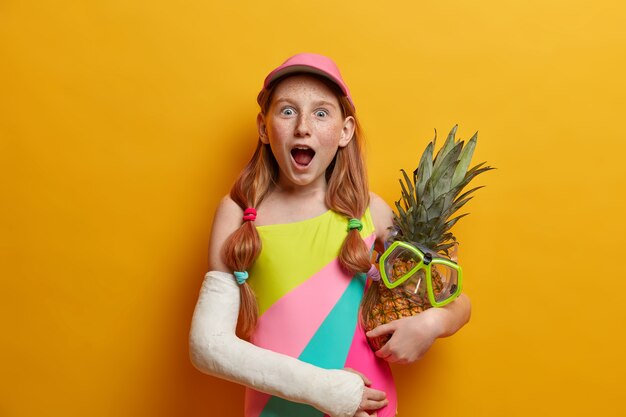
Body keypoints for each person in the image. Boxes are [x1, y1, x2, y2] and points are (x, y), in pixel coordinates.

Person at [189, 53, 471, 417]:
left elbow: (457, 302)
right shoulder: (236, 214)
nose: (303, 127)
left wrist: (433, 323)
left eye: (321, 113)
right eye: (287, 111)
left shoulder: (370, 212)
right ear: (263, 127)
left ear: (345, 131)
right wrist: (328, 390)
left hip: (369, 410)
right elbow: (208, 346)